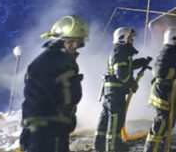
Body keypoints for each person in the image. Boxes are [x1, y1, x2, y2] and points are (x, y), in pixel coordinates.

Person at [19, 15, 89, 152]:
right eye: (70, 41)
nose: (75, 46)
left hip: (58, 128)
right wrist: (35, 133)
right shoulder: (45, 63)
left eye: (78, 41)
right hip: (44, 132)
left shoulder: (66, 62)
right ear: (58, 41)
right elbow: (34, 100)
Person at [94, 27, 152, 152]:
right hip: (115, 92)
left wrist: (141, 62)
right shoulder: (120, 52)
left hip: (111, 92)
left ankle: (99, 144)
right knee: (116, 118)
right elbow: (121, 73)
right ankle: (113, 146)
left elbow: (127, 66)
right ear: (122, 38)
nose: (132, 40)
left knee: (105, 117)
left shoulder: (122, 52)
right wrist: (131, 83)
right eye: (130, 37)